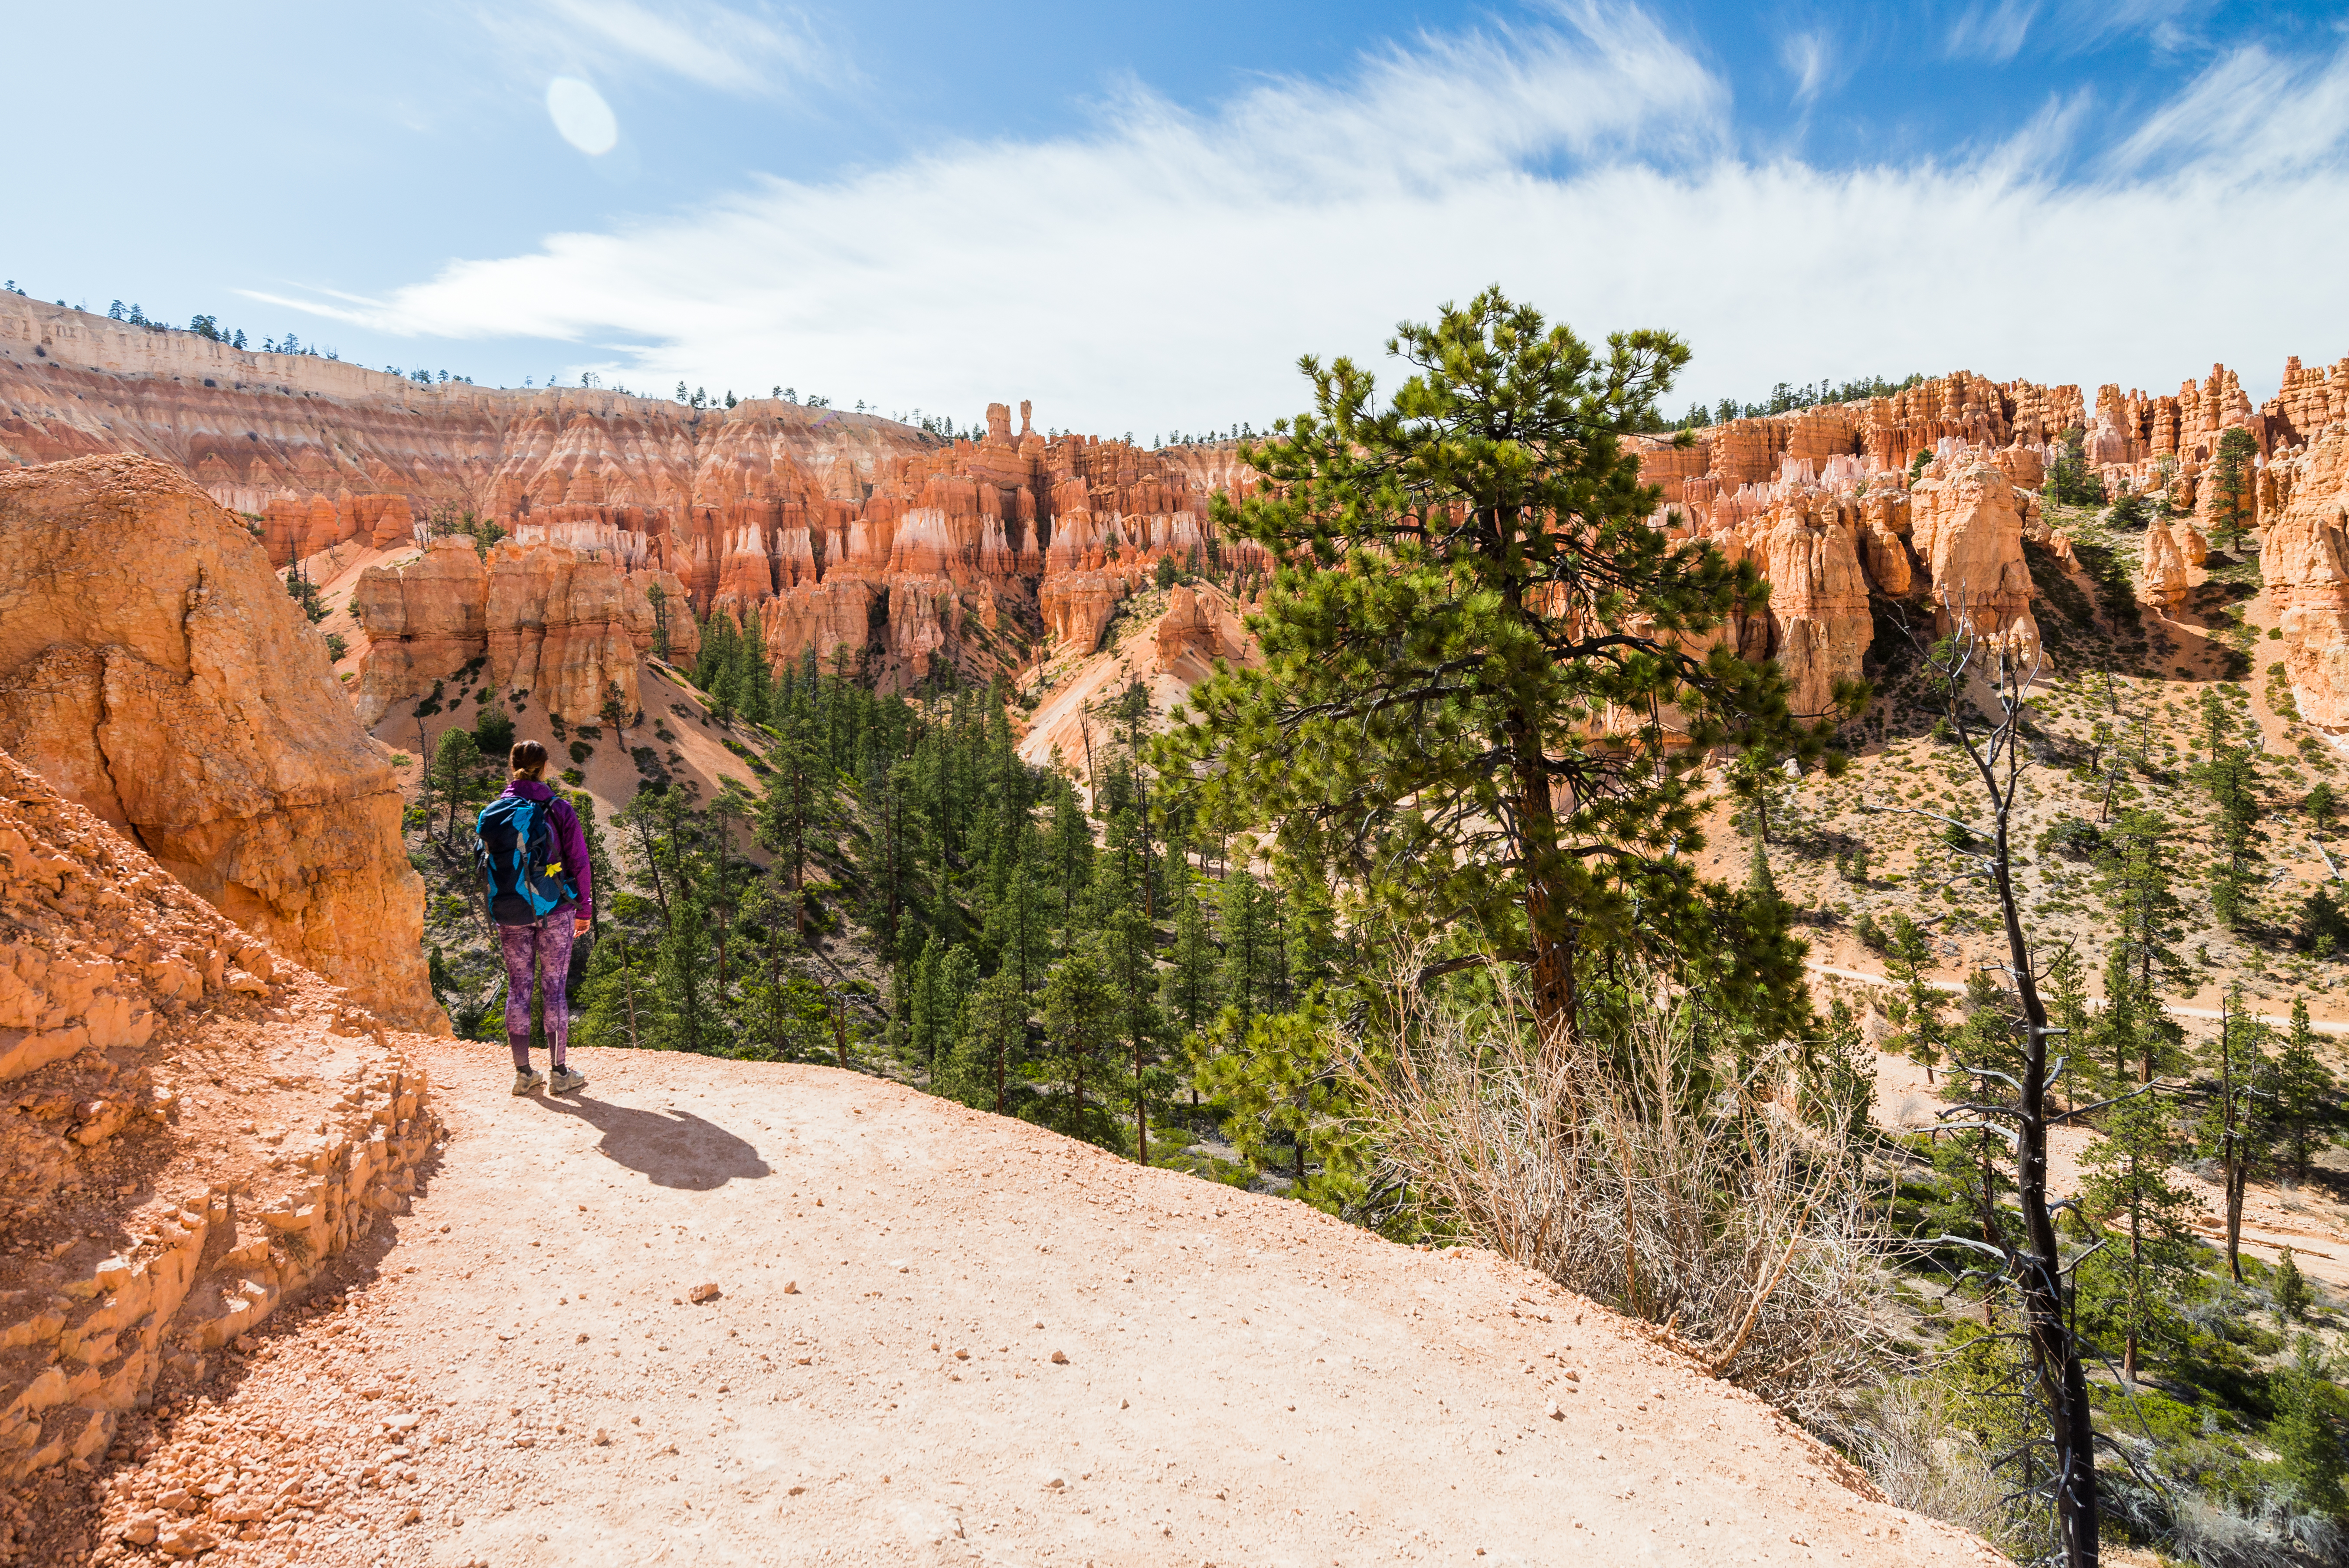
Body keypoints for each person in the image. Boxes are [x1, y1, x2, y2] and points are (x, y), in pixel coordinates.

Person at [486, 740, 592, 1096]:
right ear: (545, 767)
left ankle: (523, 1074)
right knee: (554, 988)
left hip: (511, 910)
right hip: (555, 910)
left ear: (512, 765)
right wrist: (584, 909)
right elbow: (579, 862)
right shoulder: (558, 808)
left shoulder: (495, 811)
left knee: (519, 987)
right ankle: (560, 1073)